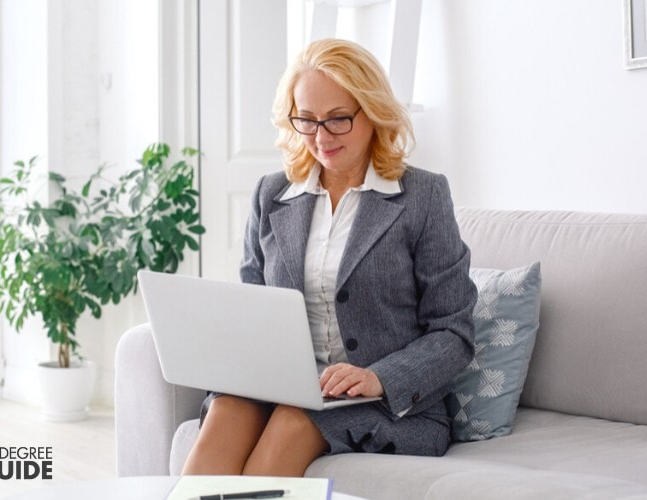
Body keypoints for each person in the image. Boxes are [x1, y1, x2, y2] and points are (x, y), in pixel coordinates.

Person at [181, 38, 477, 477]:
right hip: (283, 386)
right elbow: (252, 312)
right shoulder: (272, 194)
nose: (320, 137)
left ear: (373, 112)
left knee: (291, 424)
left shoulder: (423, 196)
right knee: (226, 412)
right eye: (306, 120)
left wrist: (379, 376)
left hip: (385, 402)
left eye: (338, 119)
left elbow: (454, 333)